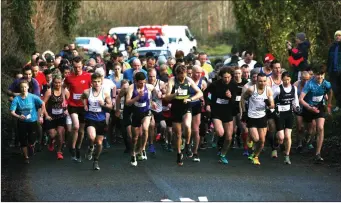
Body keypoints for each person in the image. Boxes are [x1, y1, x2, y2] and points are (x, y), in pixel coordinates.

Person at [165, 65, 203, 166]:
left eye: (184, 75)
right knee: (178, 134)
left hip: (186, 106)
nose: (182, 78)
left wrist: (191, 99)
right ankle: (179, 154)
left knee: (187, 125)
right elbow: (167, 97)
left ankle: (187, 145)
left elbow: (200, 93)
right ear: (176, 74)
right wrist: (175, 94)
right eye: (180, 76)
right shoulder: (172, 81)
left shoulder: (189, 80)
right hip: (176, 107)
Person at [299, 65, 333, 163]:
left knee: (320, 127)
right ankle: (304, 142)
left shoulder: (326, 84)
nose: (320, 77)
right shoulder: (309, 84)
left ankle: (318, 154)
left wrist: (329, 105)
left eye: (322, 74)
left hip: (319, 107)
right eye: (318, 75)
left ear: (324, 74)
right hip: (308, 108)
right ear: (314, 75)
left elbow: (331, 92)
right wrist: (309, 107)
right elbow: (301, 99)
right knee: (308, 129)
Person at [204, 67, 237, 164]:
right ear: (221, 77)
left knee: (229, 137)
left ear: (231, 76)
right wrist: (208, 104)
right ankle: (217, 139)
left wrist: (230, 97)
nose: (227, 79)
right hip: (216, 111)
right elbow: (206, 93)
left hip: (227, 111)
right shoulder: (215, 85)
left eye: (228, 77)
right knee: (221, 132)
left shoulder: (233, 85)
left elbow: (234, 101)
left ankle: (223, 154)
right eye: (225, 77)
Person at [240, 72, 274, 165]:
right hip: (251, 117)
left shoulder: (268, 90)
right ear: (256, 81)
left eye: (264, 81)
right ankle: (250, 138)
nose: (262, 83)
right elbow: (242, 99)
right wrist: (243, 112)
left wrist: (269, 104)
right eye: (260, 81)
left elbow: (272, 105)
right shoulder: (251, 89)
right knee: (256, 139)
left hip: (262, 117)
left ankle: (255, 156)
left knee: (262, 141)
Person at [81, 73, 113, 170]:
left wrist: (103, 104)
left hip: (101, 119)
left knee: (99, 143)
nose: (97, 83)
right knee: (91, 136)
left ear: (101, 82)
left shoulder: (105, 93)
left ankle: (96, 160)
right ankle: (91, 147)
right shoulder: (87, 92)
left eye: (98, 81)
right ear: (91, 82)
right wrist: (85, 105)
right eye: (94, 81)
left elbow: (110, 106)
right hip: (90, 118)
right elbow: (82, 98)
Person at [64, 56, 92, 162]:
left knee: (81, 130)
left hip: (84, 106)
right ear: (72, 66)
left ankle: (78, 147)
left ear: (82, 66)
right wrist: (64, 99)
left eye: (79, 67)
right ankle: (73, 147)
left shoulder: (88, 76)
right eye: (75, 67)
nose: (78, 69)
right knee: (75, 126)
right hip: (73, 105)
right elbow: (63, 87)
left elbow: (93, 89)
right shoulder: (69, 77)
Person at [125, 72, 156, 166]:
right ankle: (133, 154)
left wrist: (153, 101)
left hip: (146, 111)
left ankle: (143, 149)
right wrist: (137, 97)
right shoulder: (131, 88)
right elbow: (127, 102)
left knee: (146, 128)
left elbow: (155, 91)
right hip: (136, 113)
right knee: (135, 137)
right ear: (135, 81)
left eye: (143, 82)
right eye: (140, 83)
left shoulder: (149, 87)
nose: (142, 84)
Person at [10, 80, 44, 163]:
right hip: (22, 122)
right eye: (22, 87)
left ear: (28, 87)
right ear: (20, 88)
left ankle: (31, 145)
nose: (23, 88)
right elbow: (12, 112)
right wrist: (18, 116)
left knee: (32, 139)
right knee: (23, 140)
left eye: (25, 87)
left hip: (32, 121)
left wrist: (41, 116)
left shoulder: (33, 97)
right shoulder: (16, 99)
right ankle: (26, 157)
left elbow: (42, 103)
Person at [272, 72, 300, 164]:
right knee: (281, 137)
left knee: (288, 136)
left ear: (290, 80)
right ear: (282, 80)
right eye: (284, 80)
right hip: (279, 114)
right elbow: (271, 99)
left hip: (289, 114)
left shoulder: (294, 88)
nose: (286, 81)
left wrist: (297, 107)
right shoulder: (278, 89)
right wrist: (272, 107)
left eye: (288, 79)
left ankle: (287, 156)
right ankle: (276, 142)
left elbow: (295, 100)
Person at [43, 74, 69, 160]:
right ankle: (51, 142)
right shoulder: (49, 91)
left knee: (60, 133)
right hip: (51, 116)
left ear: (61, 82)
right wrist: (45, 115)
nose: (57, 84)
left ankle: (59, 151)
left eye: (59, 82)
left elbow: (69, 102)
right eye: (55, 83)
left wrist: (66, 109)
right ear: (53, 83)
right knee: (52, 134)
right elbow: (43, 104)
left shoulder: (64, 91)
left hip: (61, 116)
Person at [189, 65, 207, 162]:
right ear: (192, 72)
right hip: (187, 106)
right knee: (186, 130)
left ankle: (195, 152)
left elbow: (204, 95)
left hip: (196, 107)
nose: (199, 75)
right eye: (196, 72)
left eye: (200, 73)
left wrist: (203, 100)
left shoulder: (203, 83)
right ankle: (187, 143)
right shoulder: (187, 81)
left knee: (196, 130)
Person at [266, 60, 283, 158]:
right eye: (275, 68)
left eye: (279, 67)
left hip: (282, 107)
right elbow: (268, 93)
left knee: (281, 128)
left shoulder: (284, 78)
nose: (278, 70)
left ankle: (277, 144)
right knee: (272, 127)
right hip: (271, 106)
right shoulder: (268, 80)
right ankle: (273, 149)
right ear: (272, 69)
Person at [147, 68, 166, 154]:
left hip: (159, 108)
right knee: (152, 125)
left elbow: (166, 93)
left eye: (153, 76)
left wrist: (162, 94)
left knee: (163, 126)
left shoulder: (160, 83)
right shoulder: (145, 83)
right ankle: (151, 144)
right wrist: (151, 102)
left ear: (156, 76)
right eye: (150, 76)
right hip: (149, 108)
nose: (151, 78)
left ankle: (162, 138)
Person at [232, 67, 249, 155]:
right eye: (235, 73)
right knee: (232, 130)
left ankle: (245, 148)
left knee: (244, 129)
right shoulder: (231, 82)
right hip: (231, 108)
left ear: (241, 74)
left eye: (238, 73)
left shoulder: (245, 83)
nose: (237, 75)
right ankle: (233, 140)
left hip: (241, 108)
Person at [293, 71, 311, 152]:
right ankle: (299, 143)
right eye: (304, 79)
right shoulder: (296, 84)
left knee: (310, 128)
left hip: (308, 108)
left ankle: (307, 141)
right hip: (299, 108)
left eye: (307, 79)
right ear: (300, 79)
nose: (306, 81)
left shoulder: (311, 84)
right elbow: (291, 95)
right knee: (300, 127)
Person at [327, 30, 341, 112]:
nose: (338, 37)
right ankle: (339, 105)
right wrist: (328, 69)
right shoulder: (332, 47)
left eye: (339, 35)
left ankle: (339, 105)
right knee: (335, 89)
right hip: (333, 71)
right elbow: (329, 59)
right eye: (336, 36)